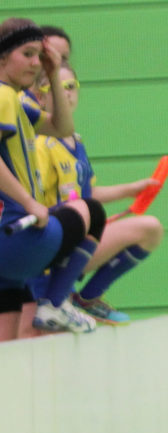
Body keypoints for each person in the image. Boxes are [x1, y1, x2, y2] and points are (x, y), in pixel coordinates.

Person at [32, 63, 163, 325]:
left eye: (71, 87)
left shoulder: (76, 141)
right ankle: (57, 297)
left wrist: (131, 189)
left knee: (151, 229)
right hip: (52, 243)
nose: (66, 93)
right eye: (56, 88)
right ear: (40, 97)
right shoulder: (40, 144)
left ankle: (87, 299)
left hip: (81, 238)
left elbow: (88, 193)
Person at [0, 18, 101, 337]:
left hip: (10, 250)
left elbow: (62, 128)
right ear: (2, 58)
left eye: (38, 56)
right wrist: (31, 203)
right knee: (92, 213)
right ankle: (56, 302)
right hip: (15, 236)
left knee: (8, 351)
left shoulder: (16, 102)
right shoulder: (3, 96)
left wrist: (54, 72)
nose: (34, 63)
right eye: (26, 54)